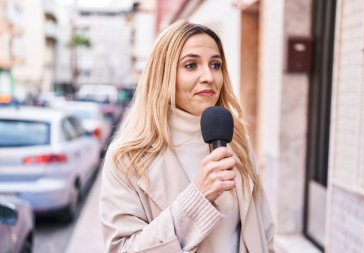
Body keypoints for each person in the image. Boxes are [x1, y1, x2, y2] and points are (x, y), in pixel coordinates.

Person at [99, 20, 275, 253]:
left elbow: (265, 231)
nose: (208, 77)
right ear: (163, 75)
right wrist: (197, 197)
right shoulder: (125, 157)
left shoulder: (237, 139)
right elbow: (122, 249)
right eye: (191, 65)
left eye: (215, 65)